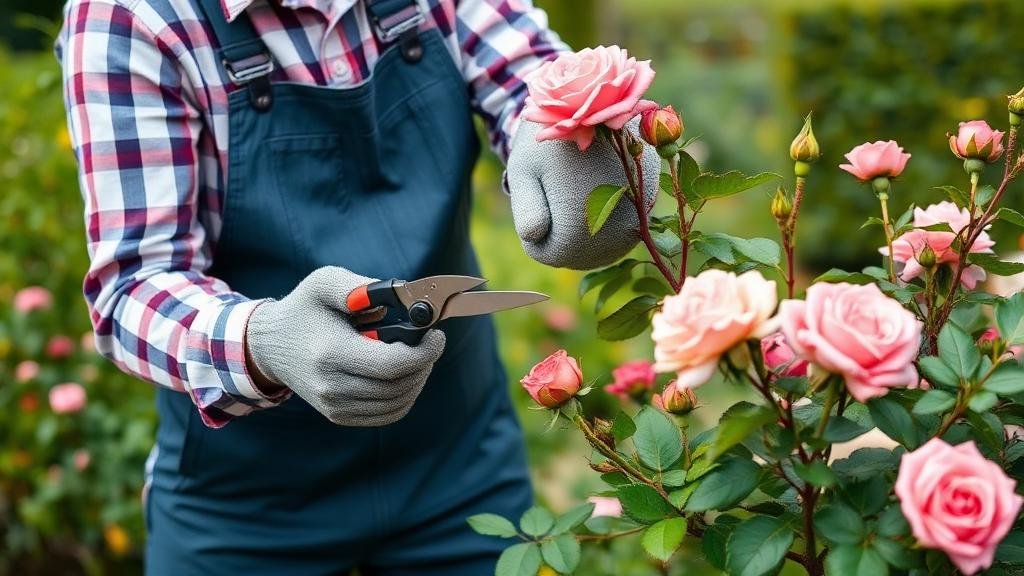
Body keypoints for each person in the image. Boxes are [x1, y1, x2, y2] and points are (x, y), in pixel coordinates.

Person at [57, 0, 656, 572]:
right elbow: (134, 284)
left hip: (457, 458)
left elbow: (534, 78)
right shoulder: (130, 17)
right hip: (246, 501)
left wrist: (586, 150)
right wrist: (266, 342)